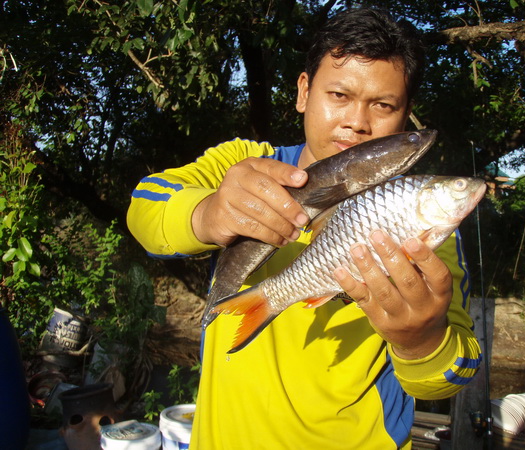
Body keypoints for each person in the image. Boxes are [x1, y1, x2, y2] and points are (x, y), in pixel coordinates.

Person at [127, 8, 481, 449]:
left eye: (383, 105)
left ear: (405, 115)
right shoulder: (245, 163)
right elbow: (144, 208)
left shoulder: (421, 222)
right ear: (303, 92)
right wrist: (210, 214)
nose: (357, 121)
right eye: (339, 95)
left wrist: (420, 340)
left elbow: (457, 371)